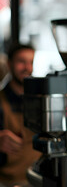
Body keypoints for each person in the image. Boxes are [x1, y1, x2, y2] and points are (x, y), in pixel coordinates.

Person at [0, 43, 41, 186]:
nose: (27, 68)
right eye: (21, 62)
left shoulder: (41, 98)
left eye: (31, 62)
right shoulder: (1, 99)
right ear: (9, 63)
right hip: (8, 181)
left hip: (38, 179)